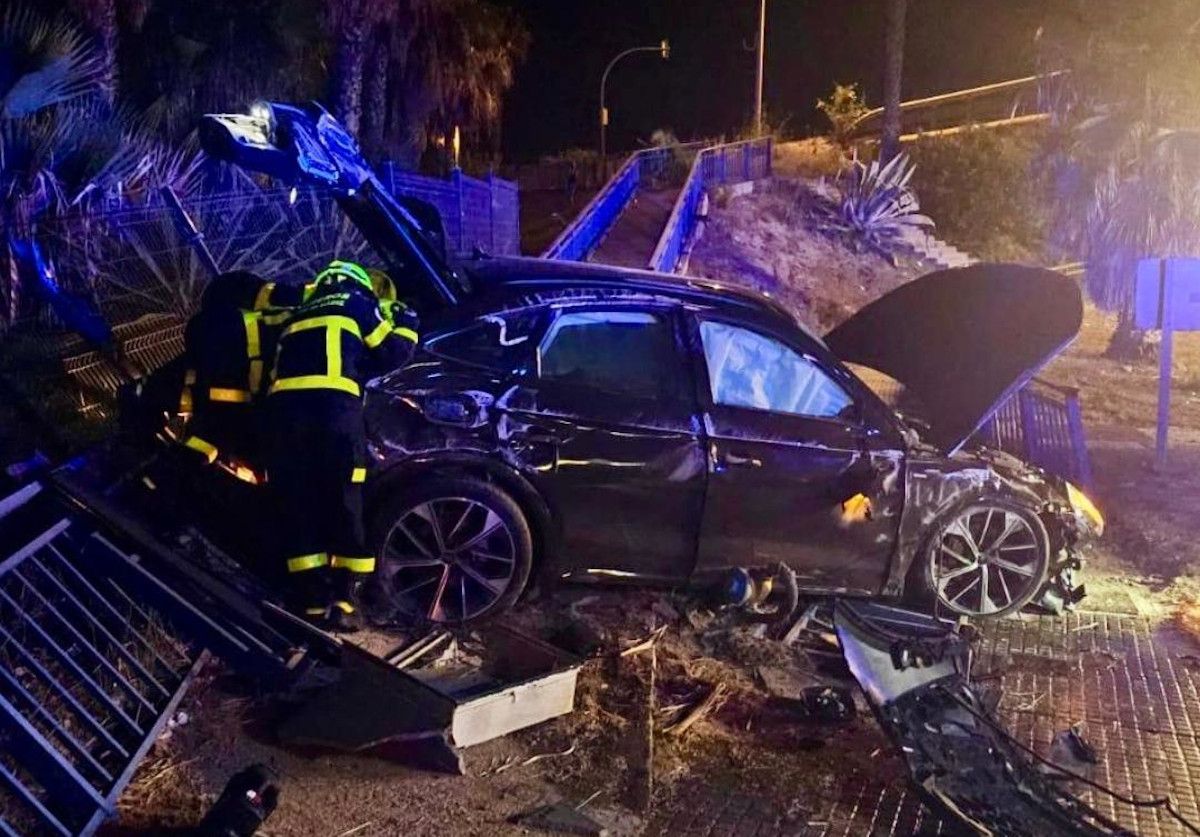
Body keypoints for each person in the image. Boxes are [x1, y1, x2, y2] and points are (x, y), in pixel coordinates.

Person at [266, 259, 419, 631]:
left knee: (299, 503)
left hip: (284, 419)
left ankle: (311, 604)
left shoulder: (297, 314)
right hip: (332, 415)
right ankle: (349, 600)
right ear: (360, 284)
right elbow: (391, 352)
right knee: (343, 499)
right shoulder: (356, 304)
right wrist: (407, 321)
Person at [178, 271, 304, 470]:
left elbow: (187, 376)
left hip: (211, 422)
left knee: (195, 458)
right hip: (250, 418)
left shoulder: (198, 330)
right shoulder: (261, 323)